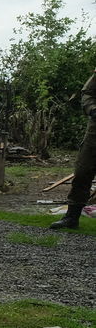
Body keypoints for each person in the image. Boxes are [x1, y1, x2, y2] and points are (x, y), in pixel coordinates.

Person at [49, 71, 96, 229]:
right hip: (94, 133)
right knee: (82, 172)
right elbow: (87, 92)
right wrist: (93, 109)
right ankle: (71, 217)